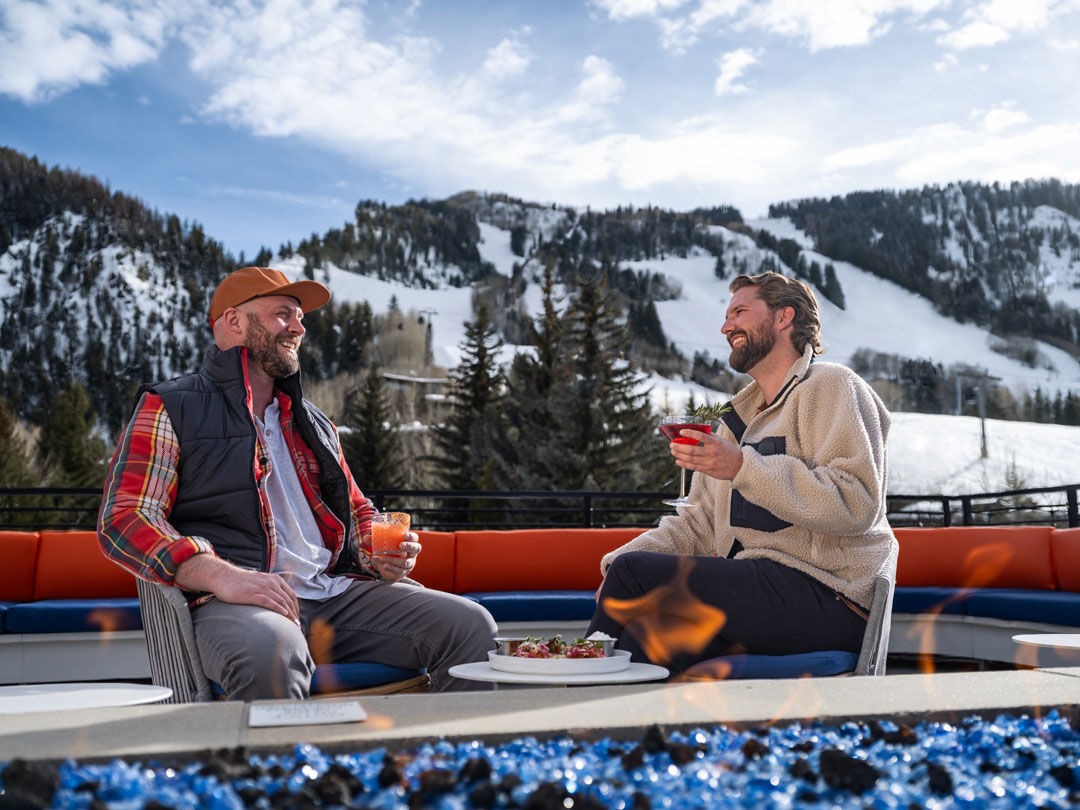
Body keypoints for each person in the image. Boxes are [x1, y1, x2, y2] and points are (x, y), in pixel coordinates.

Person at [98, 266, 497, 698]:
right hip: (236, 604)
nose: (299, 328)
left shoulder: (315, 423)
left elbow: (357, 511)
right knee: (272, 653)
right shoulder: (170, 406)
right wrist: (219, 574)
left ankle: (452, 743)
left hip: (334, 596)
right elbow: (125, 517)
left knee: (470, 624)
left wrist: (378, 551)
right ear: (234, 321)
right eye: (283, 314)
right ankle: (284, 747)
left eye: (300, 317)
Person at [587, 271, 897, 676]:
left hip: (830, 595)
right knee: (642, 636)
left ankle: (569, 684)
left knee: (634, 576)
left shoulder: (830, 386)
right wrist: (618, 566)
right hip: (762, 596)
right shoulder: (736, 423)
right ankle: (626, 716)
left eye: (740, 312)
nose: (725, 326)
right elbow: (697, 525)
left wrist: (742, 467)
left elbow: (856, 504)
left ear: (783, 317)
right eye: (726, 316)